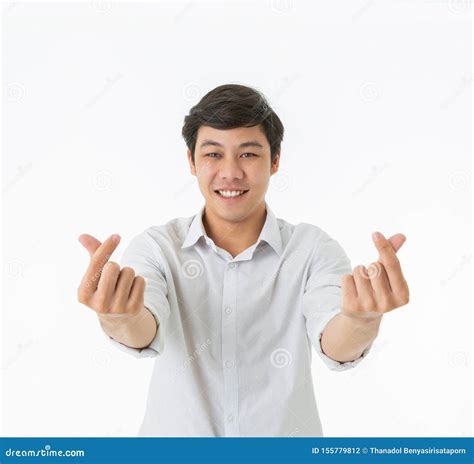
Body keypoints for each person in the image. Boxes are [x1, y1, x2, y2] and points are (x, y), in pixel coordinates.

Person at [77, 84, 410, 437]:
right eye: (213, 154)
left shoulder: (313, 249)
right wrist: (119, 316)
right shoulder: (158, 247)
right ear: (191, 162)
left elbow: (335, 340)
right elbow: (144, 327)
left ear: (275, 160)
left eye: (249, 154)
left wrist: (361, 320)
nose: (231, 172)